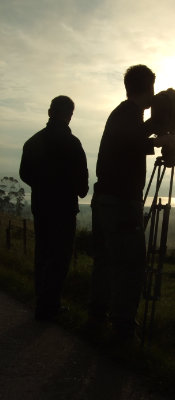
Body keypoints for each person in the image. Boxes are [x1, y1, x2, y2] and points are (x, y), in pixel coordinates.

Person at [90, 65, 175, 342]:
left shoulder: (124, 114)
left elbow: (131, 138)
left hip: (106, 200)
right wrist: (160, 140)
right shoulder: (127, 114)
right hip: (120, 202)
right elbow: (131, 140)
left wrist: (153, 132)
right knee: (131, 265)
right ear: (148, 88)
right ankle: (123, 328)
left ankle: (97, 318)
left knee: (106, 263)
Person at [19, 95, 89, 320]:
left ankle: (43, 301)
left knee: (43, 253)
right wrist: (75, 189)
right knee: (59, 257)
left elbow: (24, 173)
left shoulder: (33, 141)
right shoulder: (72, 144)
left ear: (50, 112)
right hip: (64, 209)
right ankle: (50, 305)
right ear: (69, 115)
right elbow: (82, 184)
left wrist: (42, 186)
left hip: (41, 206)